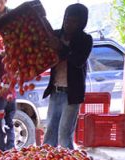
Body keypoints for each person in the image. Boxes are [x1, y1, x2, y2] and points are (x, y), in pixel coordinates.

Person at [42, 4, 93, 150]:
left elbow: (78, 60)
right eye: (66, 19)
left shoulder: (85, 40)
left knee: (64, 135)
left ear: (81, 24)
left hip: (72, 95)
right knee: (50, 133)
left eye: (73, 21)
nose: (67, 23)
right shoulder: (56, 35)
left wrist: (60, 48)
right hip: (55, 91)